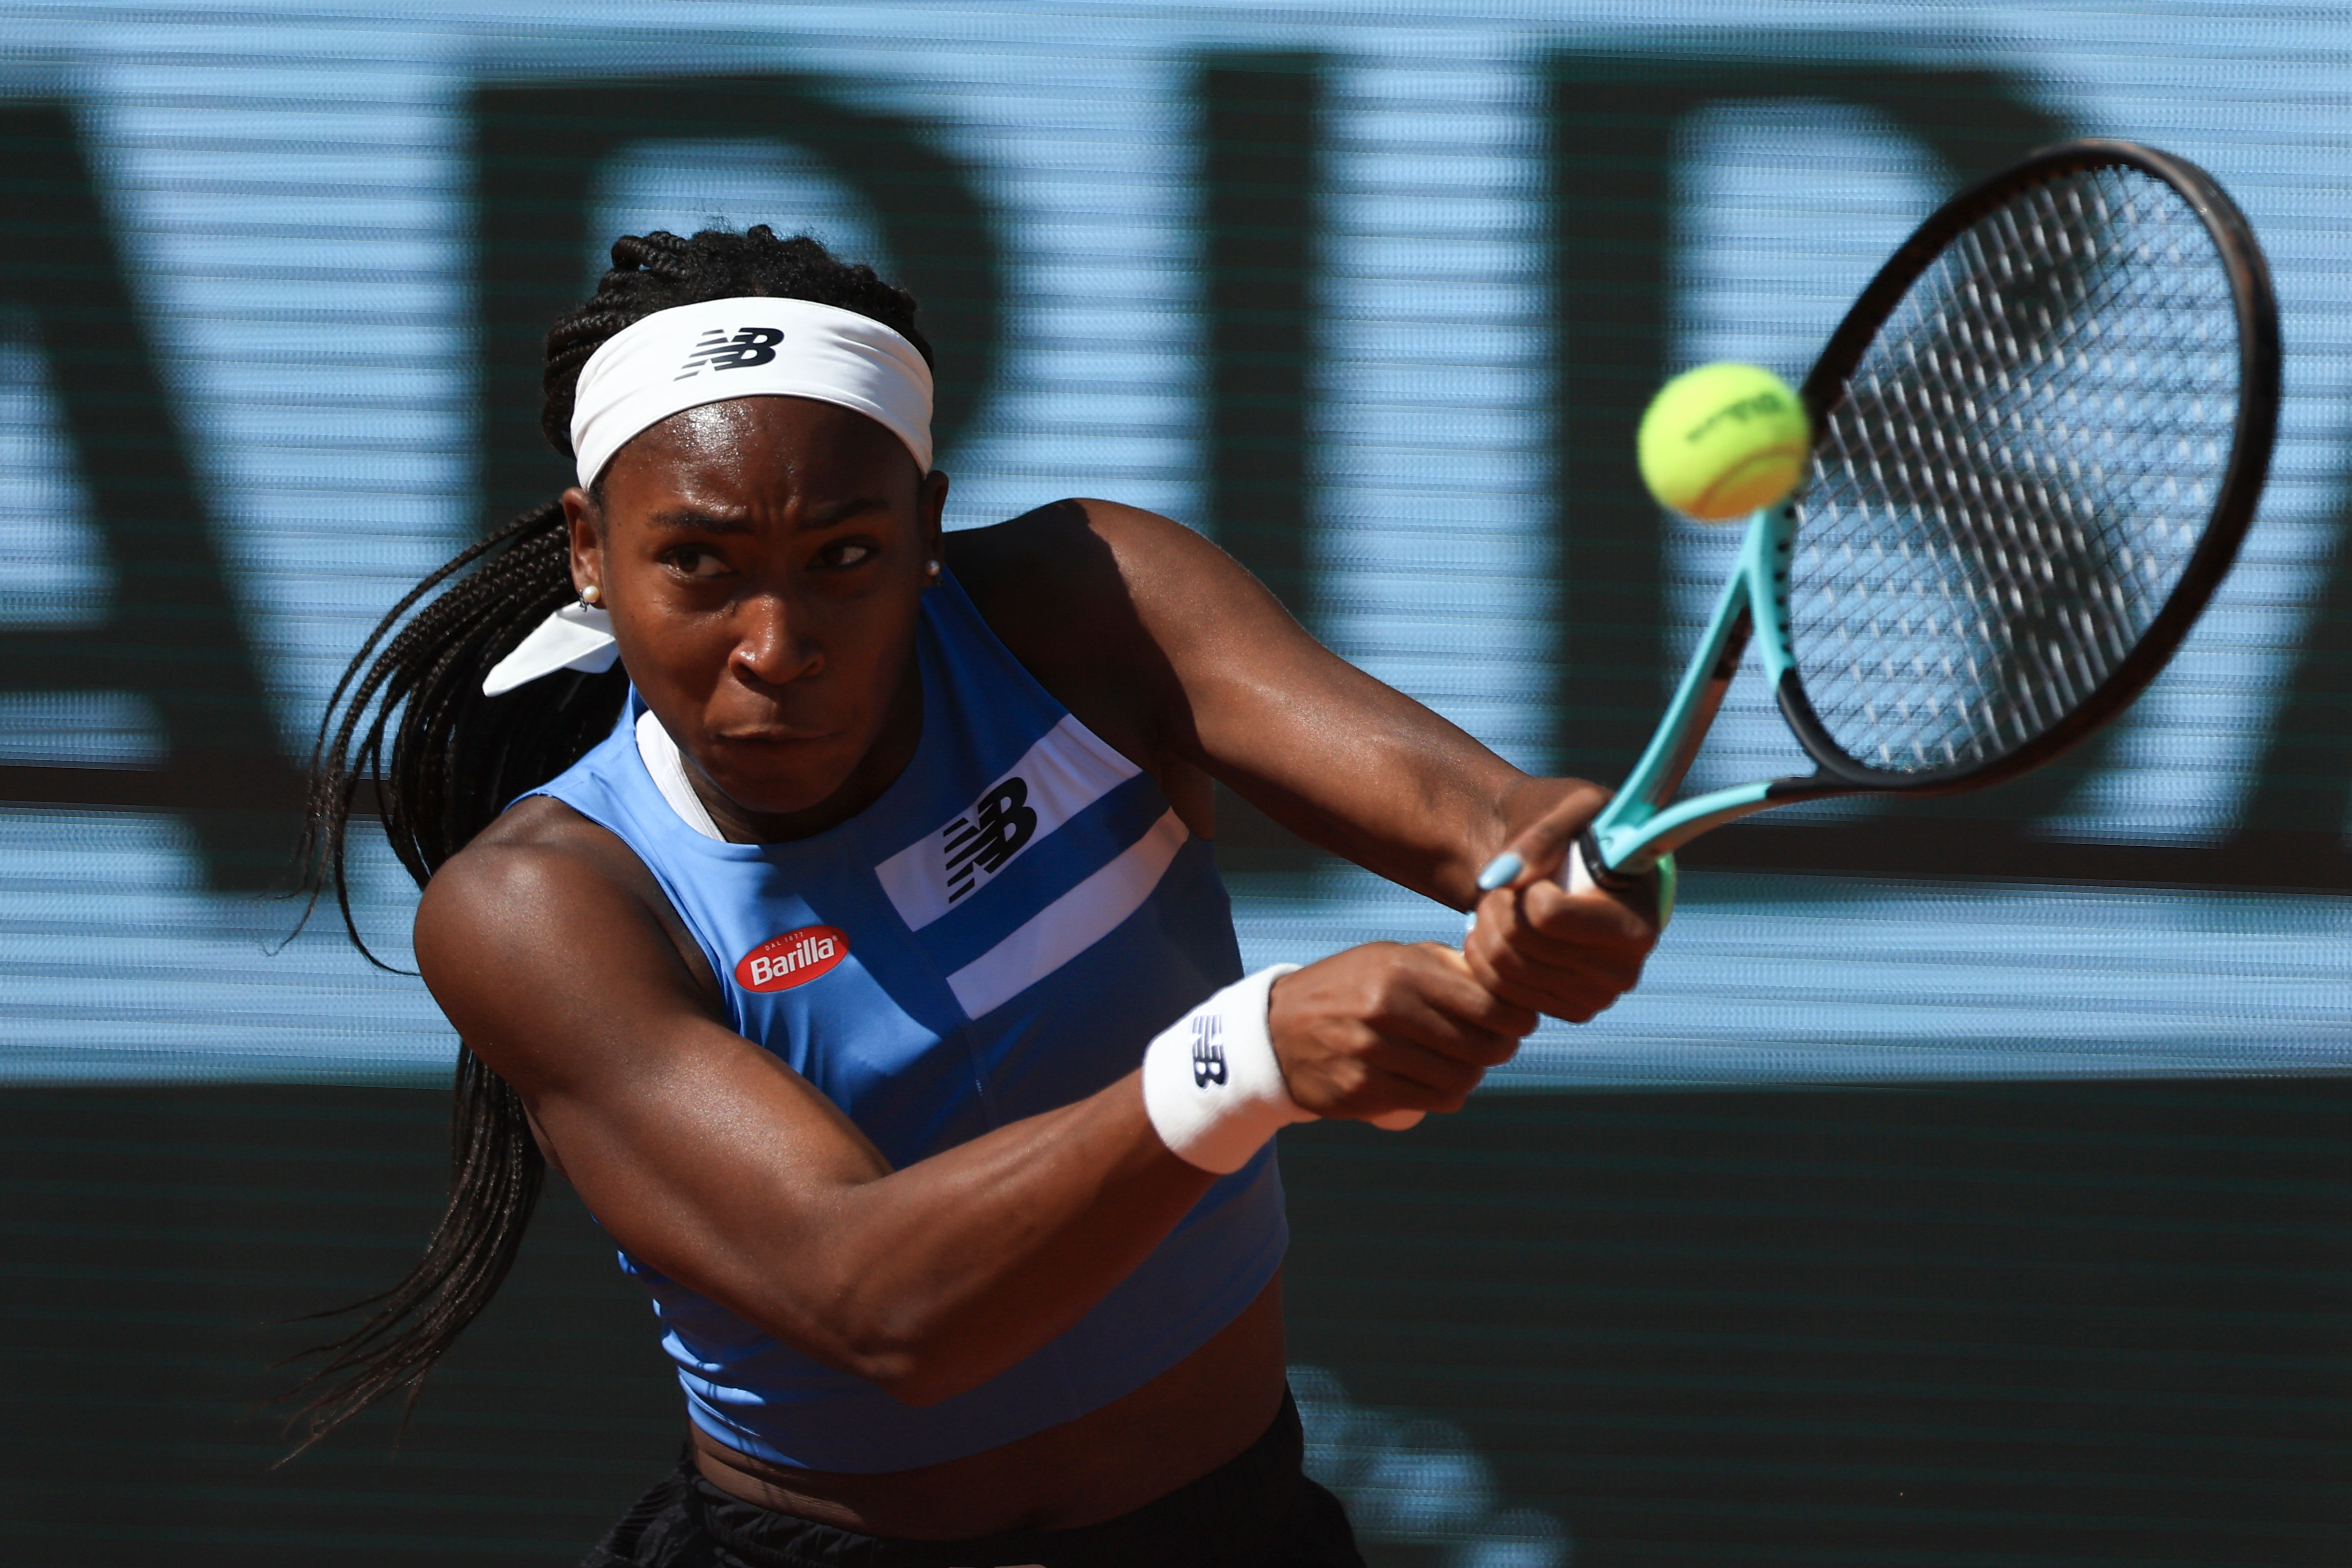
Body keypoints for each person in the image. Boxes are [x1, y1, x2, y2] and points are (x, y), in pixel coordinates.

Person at [296, 224, 1658, 1568]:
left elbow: (1485, 818)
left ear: (927, 528)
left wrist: (1575, 871)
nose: (777, 650)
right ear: (591, 552)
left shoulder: (1089, 610)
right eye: (700, 565)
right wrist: (1248, 1057)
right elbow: (880, 1303)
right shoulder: (539, 908)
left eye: (845, 556)